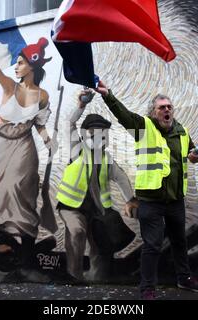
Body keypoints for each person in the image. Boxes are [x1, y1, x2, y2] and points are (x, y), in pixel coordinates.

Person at [95, 81, 198, 299]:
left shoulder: (181, 131)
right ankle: (147, 288)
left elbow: (193, 152)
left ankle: (184, 278)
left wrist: (196, 156)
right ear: (153, 112)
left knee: (179, 241)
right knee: (152, 245)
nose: (167, 110)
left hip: (176, 199)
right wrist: (108, 95)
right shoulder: (143, 127)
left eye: (169, 107)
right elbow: (123, 115)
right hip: (151, 200)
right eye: (162, 107)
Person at [0, 38, 58, 268]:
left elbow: (39, 123)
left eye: (20, 63)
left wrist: (48, 141)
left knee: (19, 190)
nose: (16, 67)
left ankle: (24, 244)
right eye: (16, 62)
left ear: (32, 67)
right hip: (0, 145)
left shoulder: (43, 96)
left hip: (24, 147)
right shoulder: (10, 86)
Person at [56, 89, 138, 282]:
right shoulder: (78, 149)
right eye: (93, 133)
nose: (98, 137)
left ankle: (96, 276)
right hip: (71, 206)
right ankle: (73, 275)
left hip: (97, 210)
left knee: (99, 244)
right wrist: (81, 106)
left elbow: (121, 178)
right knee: (76, 232)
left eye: (103, 134)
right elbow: (68, 124)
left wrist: (131, 200)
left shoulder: (106, 158)